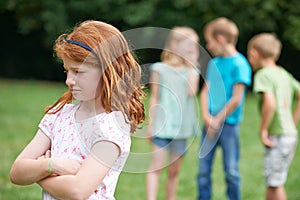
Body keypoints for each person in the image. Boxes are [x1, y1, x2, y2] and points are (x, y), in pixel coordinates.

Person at [9, 20, 145, 200]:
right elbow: (17, 172)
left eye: (78, 72)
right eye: (67, 71)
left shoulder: (112, 127)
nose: (69, 81)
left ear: (108, 71)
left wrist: (39, 174)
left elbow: (77, 191)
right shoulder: (59, 115)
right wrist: (51, 165)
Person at [197, 17, 252, 200]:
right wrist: (206, 117)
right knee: (203, 170)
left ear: (220, 39)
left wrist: (218, 119)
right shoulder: (214, 64)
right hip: (209, 123)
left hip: (228, 125)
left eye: (210, 41)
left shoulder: (240, 64)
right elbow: (205, 92)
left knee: (231, 171)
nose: (208, 45)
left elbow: (237, 98)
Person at [146, 26, 200, 200]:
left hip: (182, 129)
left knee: (174, 170)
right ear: (175, 45)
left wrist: (192, 66)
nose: (193, 49)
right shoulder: (159, 69)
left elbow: (192, 92)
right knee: (156, 167)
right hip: (162, 127)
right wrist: (151, 123)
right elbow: (154, 97)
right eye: (189, 46)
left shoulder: (193, 72)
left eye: (195, 46)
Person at [247, 33, 300, 200]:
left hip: (277, 136)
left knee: (275, 183)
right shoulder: (283, 73)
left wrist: (263, 129)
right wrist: (293, 121)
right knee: (275, 181)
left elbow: (269, 104)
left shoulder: (263, 75)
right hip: (290, 135)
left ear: (255, 53)